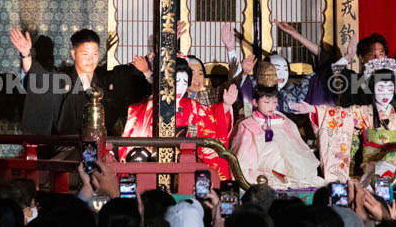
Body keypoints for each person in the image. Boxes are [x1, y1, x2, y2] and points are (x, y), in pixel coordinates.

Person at [11, 27, 152, 135]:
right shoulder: (62, 80)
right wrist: (25, 54)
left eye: (95, 54)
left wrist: (146, 72)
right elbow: (41, 78)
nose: (90, 59)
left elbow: (137, 85)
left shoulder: (106, 79)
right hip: (68, 149)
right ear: (74, 54)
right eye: (85, 54)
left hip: (103, 149)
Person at [119, 59, 238, 179]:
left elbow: (212, 118)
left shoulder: (193, 106)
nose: (180, 87)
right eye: (176, 82)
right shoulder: (148, 107)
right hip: (152, 162)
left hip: (186, 164)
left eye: (184, 82)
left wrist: (226, 105)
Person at [233, 61, 324, 189]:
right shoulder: (248, 125)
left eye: (274, 102)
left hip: (288, 170)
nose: (271, 106)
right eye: (266, 102)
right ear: (255, 102)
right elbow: (244, 159)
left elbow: (298, 147)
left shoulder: (285, 121)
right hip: (262, 169)